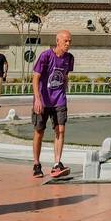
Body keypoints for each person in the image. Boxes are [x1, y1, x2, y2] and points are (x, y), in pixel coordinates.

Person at [32, 30, 74, 179]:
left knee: (60, 130)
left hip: (59, 100)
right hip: (43, 99)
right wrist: (37, 99)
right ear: (58, 41)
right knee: (39, 131)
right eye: (66, 41)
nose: (68, 44)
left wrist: (65, 90)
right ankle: (36, 164)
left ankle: (57, 163)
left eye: (70, 41)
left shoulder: (69, 58)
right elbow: (36, 77)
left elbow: (66, 75)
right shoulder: (46, 56)